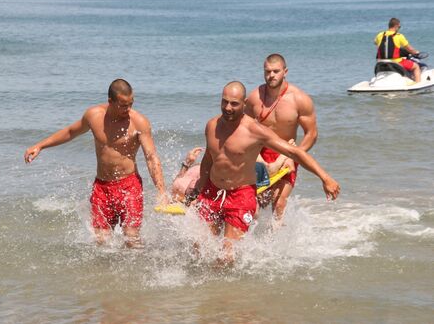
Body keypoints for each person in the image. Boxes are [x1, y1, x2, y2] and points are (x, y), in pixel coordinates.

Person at [188, 81, 340, 264]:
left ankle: (224, 292)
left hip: (240, 196)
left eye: (234, 103)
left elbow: (294, 152)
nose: (228, 108)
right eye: (224, 102)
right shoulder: (212, 125)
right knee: (198, 251)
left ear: (244, 104)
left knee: (226, 257)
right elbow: (208, 158)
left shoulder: (255, 131)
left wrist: (325, 177)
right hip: (212, 191)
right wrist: (199, 186)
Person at [24, 79, 167, 248]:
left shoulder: (138, 122)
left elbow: (151, 156)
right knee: (101, 241)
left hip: (129, 185)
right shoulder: (94, 115)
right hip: (102, 187)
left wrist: (161, 190)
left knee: (131, 238)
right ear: (110, 102)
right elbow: (71, 132)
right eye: (122, 105)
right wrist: (40, 145)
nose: (127, 109)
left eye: (130, 104)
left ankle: (138, 271)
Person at [245, 53, 318, 227]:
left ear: (285, 72)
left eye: (276, 71)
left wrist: (294, 155)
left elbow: (312, 134)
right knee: (254, 207)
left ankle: (277, 247)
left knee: (278, 203)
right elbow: (243, 128)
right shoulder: (255, 97)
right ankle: (251, 243)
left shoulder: (299, 99)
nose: (271, 75)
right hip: (259, 154)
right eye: (267, 71)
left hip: (286, 154)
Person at [375, 17, 421, 83]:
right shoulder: (399, 36)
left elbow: (375, 43)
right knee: (416, 67)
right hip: (396, 62)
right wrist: (416, 52)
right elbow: (409, 49)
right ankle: (418, 83)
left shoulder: (380, 35)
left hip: (381, 62)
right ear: (396, 26)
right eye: (399, 27)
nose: (399, 29)